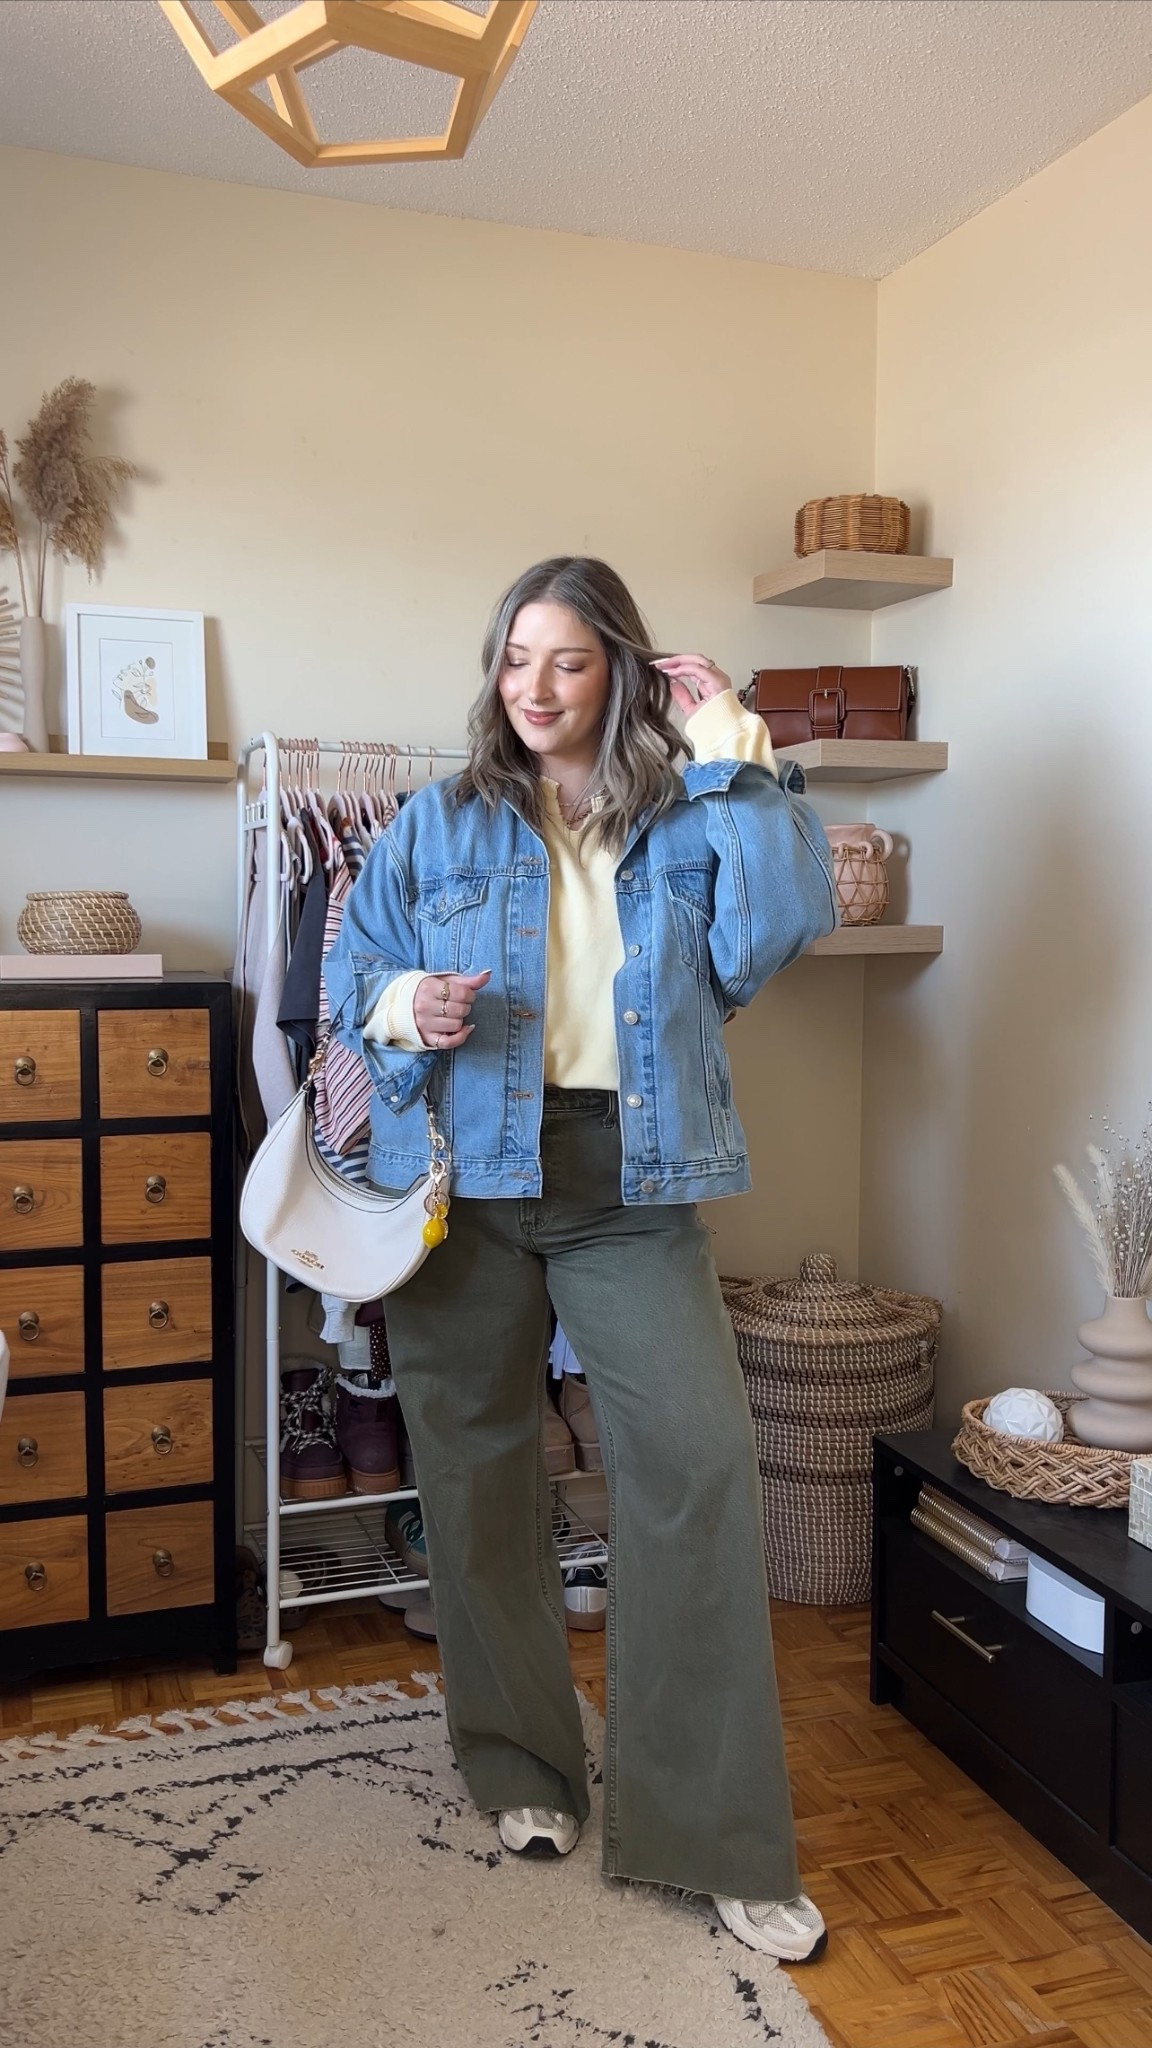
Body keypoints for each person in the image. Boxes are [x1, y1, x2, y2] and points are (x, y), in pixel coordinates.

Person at [326, 556, 838, 1962]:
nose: (534, 688)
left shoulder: (686, 814)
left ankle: (716, 1831)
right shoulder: (435, 823)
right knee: (480, 1468)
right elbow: (346, 981)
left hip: (632, 1176)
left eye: (564, 660)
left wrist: (739, 750)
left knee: (695, 1466)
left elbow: (788, 923)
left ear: (617, 668)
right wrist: (400, 1004)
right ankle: (525, 1770)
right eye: (513, 661)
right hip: (463, 1179)